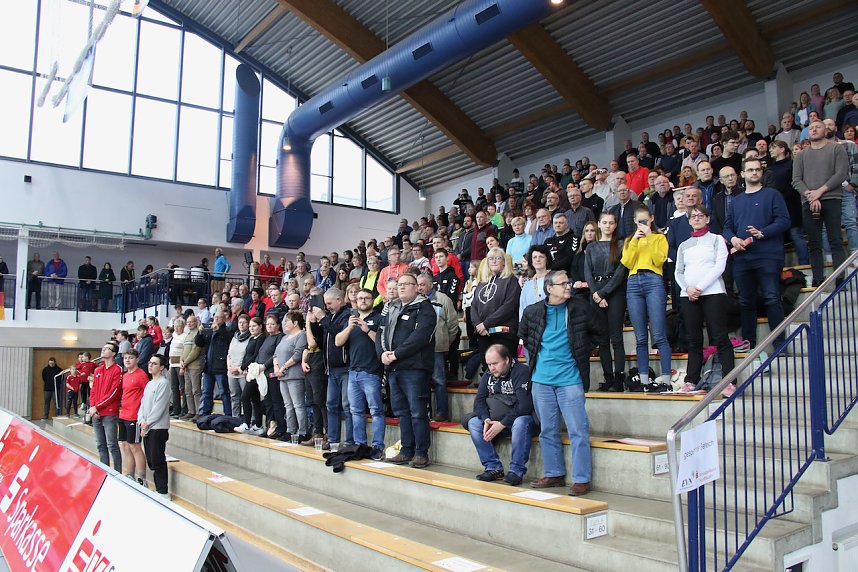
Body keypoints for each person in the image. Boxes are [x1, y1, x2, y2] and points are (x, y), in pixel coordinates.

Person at [519, 271, 595, 495]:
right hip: (541, 380)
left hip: (570, 379)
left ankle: (582, 478)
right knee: (547, 430)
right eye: (563, 284)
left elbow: (600, 331)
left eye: (569, 282)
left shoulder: (580, 308)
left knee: (578, 430)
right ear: (549, 288)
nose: (568, 286)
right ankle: (554, 473)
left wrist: (584, 349)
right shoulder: (533, 312)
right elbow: (524, 335)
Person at [722, 158, 791, 349]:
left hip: (768, 255)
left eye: (757, 170)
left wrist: (763, 232)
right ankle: (748, 343)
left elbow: (784, 220)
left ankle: (780, 344)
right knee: (745, 301)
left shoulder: (773, 194)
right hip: (742, 258)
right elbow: (727, 227)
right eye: (750, 170)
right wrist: (733, 239)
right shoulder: (735, 201)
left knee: (771, 297)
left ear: (762, 173)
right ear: (742, 174)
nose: (754, 173)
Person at [674, 206, 735, 396]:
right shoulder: (684, 245)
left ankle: (728, 381)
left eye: (701, 216)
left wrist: (699, 287)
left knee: (719, 337)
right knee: (693, 339)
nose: (697, 219)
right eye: (693, 217)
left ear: (708, 219)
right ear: (689, 220)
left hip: (713, 292)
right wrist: (688, 288)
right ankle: (691, 380)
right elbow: (678, 271)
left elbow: (719, 266)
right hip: (689, 295)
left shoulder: (717, 240)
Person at [377, 274, 437, 468]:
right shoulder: (391, 307)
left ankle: (421, 452)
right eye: (399, 285)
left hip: (414, 368)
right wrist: (382, 354)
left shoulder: (425, 307)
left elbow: (420, 336)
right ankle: (406, 449)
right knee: (401, 411)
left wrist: (397, 353)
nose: (401, 288)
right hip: (393, 367)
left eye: (406, 284)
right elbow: (380, 332)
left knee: (418, 411)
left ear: (416, 287)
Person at [464, 344, 534, 485]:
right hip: (495, 421)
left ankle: (516, 470)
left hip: (521, 421)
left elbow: (525, 406)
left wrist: (502, 424)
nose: (491, 368)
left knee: (521, 422)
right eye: (489, 364)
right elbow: (479, 401)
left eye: (495, 363)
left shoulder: (521, 372)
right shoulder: (489, 374)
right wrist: (486, 419)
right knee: (474, 423)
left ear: (507, 360)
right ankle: (493, 467)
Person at [793, 120, 849, 286]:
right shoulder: (801, 154)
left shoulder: (837, 149)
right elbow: (796, 180)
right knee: (814, 242)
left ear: (826, 130)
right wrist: (811, 195)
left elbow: (841, 173)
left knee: (835, 240)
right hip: (808, 201)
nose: (814, 129)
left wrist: (820, 191)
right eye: (811, 128)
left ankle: (840, 278)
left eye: (818, 127)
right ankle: (818, 278)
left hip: (832, 198)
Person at [622, 204, 672, 389]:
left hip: (653, 280)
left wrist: (649, 236)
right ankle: (643, 379)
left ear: (651, 219)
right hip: (634, 282)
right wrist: (635, 239)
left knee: (659, 334)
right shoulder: (629, 240)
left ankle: (666, 378)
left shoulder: (659, 237)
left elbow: (660, 260)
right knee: (640, 337)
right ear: (635, 222)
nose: (642, 224)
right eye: (639, 221)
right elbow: (627, 262)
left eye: (645, 220)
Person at [335, 289, 385, 460]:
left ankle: (378, 447)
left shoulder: (378, 319)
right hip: (353, 372)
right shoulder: (352, 320)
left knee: (376, 411)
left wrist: (367, 330)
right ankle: (360, 445)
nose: (363, 301)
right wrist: (350, 327)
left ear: (373, 300)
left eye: (367, 298)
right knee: (355, 411)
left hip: (371, 372)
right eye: (360, 298)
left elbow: (383, 343)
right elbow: (337, 342)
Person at [585, 212, 628, 392]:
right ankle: (607, 377)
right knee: (602, 340)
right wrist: (596, 293)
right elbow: (588, 272)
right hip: (596, 293)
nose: (608, 225)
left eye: (611, 223)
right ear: (599, 225)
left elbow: (620, 272)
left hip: (614, 292)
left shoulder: (620, 245)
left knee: (616, 338)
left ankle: (619, 378)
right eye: (605, 222)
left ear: (615, 225)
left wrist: (603, 293)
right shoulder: (592, 247)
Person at [417, 272, 458, 422]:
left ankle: (442, 413)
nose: (419, 288)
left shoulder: (443, 299)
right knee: (422, 382)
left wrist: (445, 342)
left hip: (437, 349)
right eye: (418, 285)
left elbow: (453, 326)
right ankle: (425, 413)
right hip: (419, 350)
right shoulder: (415, 301)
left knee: (440, 382)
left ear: (430, 284)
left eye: (422, 284)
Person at [471, 247, 522, 363]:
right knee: (488, 369)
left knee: (505, 368)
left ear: (504, 262)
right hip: (484, 334)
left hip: (504, 335)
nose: (494, 261)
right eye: (491, 258)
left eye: (498, 258)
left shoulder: (511, 281)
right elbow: (473, 306)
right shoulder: (482, 282)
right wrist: (479, 325)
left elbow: (508, 307)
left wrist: (485, 324)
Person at [318, 287, 353, 448]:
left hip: (345, 368)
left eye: (329, 303)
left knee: (347, 406)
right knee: (331, 404)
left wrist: (323, 318)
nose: (327, 306)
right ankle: (333, 439)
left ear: (339, 300)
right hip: (331, 369)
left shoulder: (347, 315)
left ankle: (349, 441)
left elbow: (339, 334)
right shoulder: (331, 316)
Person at [139, 354, 171, 499]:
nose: (150, 365)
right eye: (150, 363)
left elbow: (159, 407)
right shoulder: (149, 383)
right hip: (147, 427)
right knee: (151, 460)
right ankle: (158, 489)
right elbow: (143, 405)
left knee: (157, 459)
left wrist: (148, 422)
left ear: (162, 367)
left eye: (154, 364)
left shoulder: (163, 383)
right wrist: (141, 421)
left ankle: (163, 491)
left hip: (158, 427)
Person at [274, 311, 309, 441]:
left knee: (298, 405)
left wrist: (284, 367)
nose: (284, 324)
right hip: (282, 376)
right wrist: (277, 367)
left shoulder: (301, 335)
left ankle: (303, 431)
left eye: (287, 321)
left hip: (294, 375)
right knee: (288, 405)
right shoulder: (284, 337)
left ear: (295, 323)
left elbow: (297, 354)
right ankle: (290, 430)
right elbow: (276, 354)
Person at [89, 342, 123, 471]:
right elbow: (93, 391)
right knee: (100, 445)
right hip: (96, 413)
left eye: (107, 349)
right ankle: (104, 470)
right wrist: (93, 407)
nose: (103, 350)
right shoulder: (98, 370)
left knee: (112, 445)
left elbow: (114, 393)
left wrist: (97, 407)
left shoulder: (117, 369)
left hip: (108, 413)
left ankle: (117, 472)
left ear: (113, 353)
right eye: (103, 348)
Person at [118, 349, 149, 486]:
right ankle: (129, 474)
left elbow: (147, 396)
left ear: (136, 360)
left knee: (135, 446)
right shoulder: (124, 376)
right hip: (123, 414)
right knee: (125, 446)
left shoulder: (141, 375)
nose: (127, 360)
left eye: (130, 358)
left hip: (134, 416)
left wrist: (144, 417)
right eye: (125, 358)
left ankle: (142, 478)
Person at [300, 291, 328, 445]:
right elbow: (307, 347)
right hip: (310, 361)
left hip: (320, 362)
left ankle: (328, 433)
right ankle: (317, 432)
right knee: (312, 400)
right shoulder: (313, 323)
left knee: (320, 400)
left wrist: (307, 323)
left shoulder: (324, 322)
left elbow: (312, 343)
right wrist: (303, 361)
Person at [199, 312, 232, 416]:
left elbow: (229, 338)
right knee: (206, 392)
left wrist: (219, 329)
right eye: (215, 317)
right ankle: (206, 414)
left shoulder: (227, 330)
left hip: (220, 366)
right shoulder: (209, 331)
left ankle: (228, 414)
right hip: (208, 366)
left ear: (224, 319)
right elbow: (198, 343)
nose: (216, 319)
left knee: (224, 392)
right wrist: (200, 333)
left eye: (219, 317)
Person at [237, 317, 265, 436]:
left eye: (254, 326)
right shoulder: (251, 339)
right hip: (249, 371)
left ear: (260, 326)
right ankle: (258, 425)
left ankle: (246, 423)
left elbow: (255, 355)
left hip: (255, 371)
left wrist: (243, 366)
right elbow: (247, 354)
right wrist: (243, 367)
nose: (251, 329)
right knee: (254, 399)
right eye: (250, 327)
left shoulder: (261, 338)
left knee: (244, 396)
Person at [226, 314, 251, 418]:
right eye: (240, 322)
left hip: (242, 372)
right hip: (231, 371)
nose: (241, 324)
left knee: (246, 397)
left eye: (244, 322)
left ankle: (249, 419)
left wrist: (239, 368)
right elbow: (229, 354)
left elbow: (248, 355)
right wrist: (229, 367)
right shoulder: (235, 337)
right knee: (234, 396)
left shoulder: (250, 338)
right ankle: (235, 418)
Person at [179, 315, 203, 419]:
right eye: (187, 322)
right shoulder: (187, 334)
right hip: (186, 367)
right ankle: (191, 411)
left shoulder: (198, 333)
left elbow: (195, 351)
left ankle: (198, 411)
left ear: (196, 322)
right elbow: (183, 350)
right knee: (187, 390)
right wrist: (181, 361)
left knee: (196, 390)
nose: (189, 324)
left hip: (194, 366)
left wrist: (186, 362)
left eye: (191, 322)